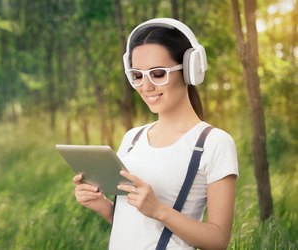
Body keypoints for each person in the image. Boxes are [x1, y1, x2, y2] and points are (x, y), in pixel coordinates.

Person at [73, 18, 238, 250]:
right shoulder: (132, 138)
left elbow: (218, 240)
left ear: (189, 71)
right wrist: (101, 205)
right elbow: (135, 227)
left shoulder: (214, 143)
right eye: (138, 75)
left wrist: (159, 210)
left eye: (158, 74)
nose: (146, 86)